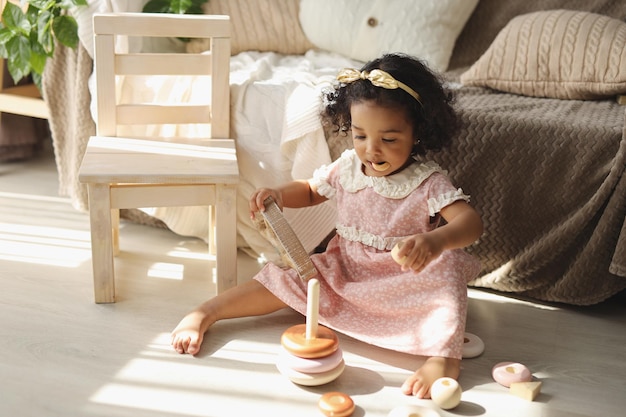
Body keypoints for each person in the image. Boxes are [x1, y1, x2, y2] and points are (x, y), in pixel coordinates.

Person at [171, 53, 484, 399]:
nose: (372, 150)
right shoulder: (349, 167)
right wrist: (278, 193)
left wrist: (436, 242)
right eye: (360, 135)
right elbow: (309, 190)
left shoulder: (428, 182)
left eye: (389, 139)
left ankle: (443, 357)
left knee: (448, 274)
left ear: (418, 133)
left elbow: (470, 223)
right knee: (288, 277)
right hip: (345, 270)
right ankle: (207, 311)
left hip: (403, 278)